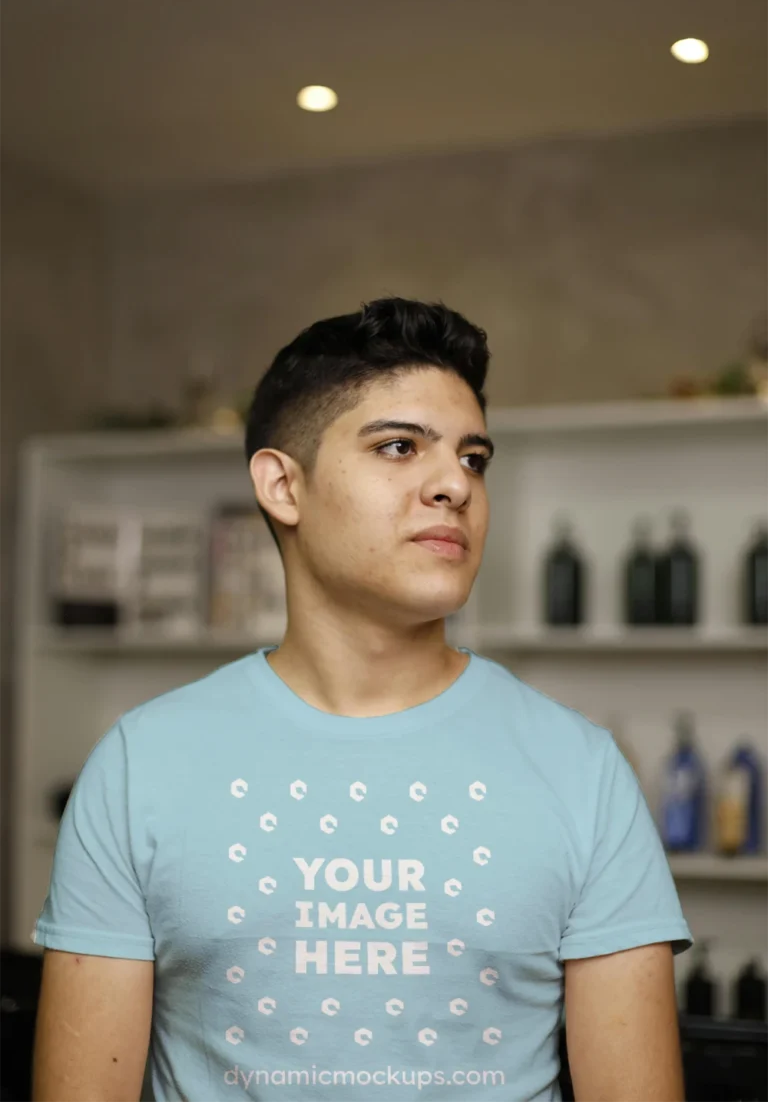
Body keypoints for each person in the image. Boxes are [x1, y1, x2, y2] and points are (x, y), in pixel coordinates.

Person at [31, 298, 691, 1102]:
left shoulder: (581, 770)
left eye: (475, 459)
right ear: (283, 485)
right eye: (400, 446)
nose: (454, 483)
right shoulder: (141, 765)